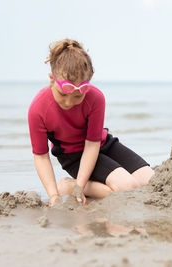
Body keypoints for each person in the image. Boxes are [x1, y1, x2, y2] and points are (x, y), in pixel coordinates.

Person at [27, 39, 154, 207]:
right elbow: (41, 156)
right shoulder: (38, 109)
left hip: (101, 145)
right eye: (63, 94)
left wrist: (81, 185)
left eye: (78, 96)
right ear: (52, 79)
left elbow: (92, 144)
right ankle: (68, 186)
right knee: (127, 187)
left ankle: (78, 184)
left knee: (152, 182)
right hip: (74, 157)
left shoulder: (96, 98)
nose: (69, 102)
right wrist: (54, 195)